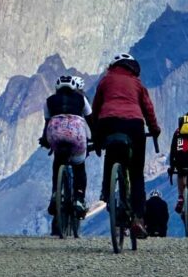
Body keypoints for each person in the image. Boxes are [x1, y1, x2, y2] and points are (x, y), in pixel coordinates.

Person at [92, 53, 161, 239]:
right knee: (136, 173)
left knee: (111, 155)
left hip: (108, 123)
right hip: (134, 125)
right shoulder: (137, 84)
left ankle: (106, 192)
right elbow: (148, 108)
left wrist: (96, 137)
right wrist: (154, 129)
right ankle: (138, 218)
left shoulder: (105, 81)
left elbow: (96, 108)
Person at [39, 75, 93, 225]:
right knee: (79, 166)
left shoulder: (49, 101)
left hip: (55, 134)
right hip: (76, 135)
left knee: (57, 161)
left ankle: (56, 193)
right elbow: (90, 119)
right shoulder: (81, 99)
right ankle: (79, 198)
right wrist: (96, 138)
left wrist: (44, 140)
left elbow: (47, 124)